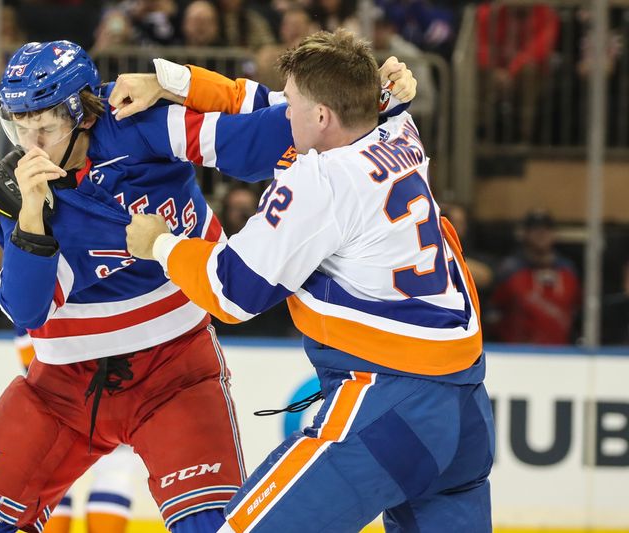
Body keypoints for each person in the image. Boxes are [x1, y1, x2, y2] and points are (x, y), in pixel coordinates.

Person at [0, 39, 417, 533]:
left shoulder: (140, 124)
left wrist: (365, 99)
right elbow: (27, 310)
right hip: (61, 389)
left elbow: (259, 140)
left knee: (210, 526)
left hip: (175, 371)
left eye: (46, 127)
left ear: (81, 113)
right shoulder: (12, 190)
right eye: (19, 127)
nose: (31, 147)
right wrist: (30, 220)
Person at [124, 29, 494, 532]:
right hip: (467, 404)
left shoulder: (321, 181)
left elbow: (232, 292)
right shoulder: (396, 126)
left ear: (320, 115)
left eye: (293, 103)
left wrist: (160, 246)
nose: (282, 113)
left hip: (393, 404)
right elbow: (261, 102)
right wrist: (168, 81)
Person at [14, 328, 138, 533]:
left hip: (59, 392)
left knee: (53, 474)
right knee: (115, 471)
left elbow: (26, 327)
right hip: (116, 386)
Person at [489, 209, 581, 345]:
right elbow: (493, 312)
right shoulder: (509, 271)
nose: (541, 234)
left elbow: (578, 312)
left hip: (561, 352)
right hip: (516, 352)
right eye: (535, 230)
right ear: (525, 234)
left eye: (546, 230)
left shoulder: (567, 271)